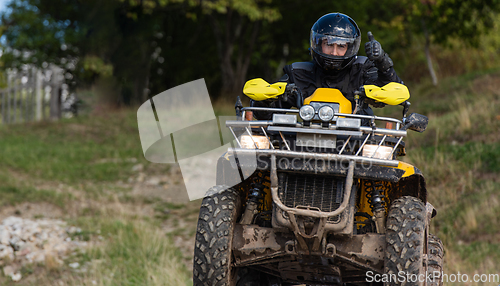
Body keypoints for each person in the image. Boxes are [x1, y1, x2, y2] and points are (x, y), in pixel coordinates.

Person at [251, 12, 402, 119]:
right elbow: (264, 113)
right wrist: (263, 99)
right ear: (317, 44)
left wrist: (382, 61)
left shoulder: (362, 69)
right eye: (328, 44)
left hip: (358, 144)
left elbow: (393, 89)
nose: (334, 52)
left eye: (341, 46)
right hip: (304, 144)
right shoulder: (298, 73)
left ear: (350, 48)